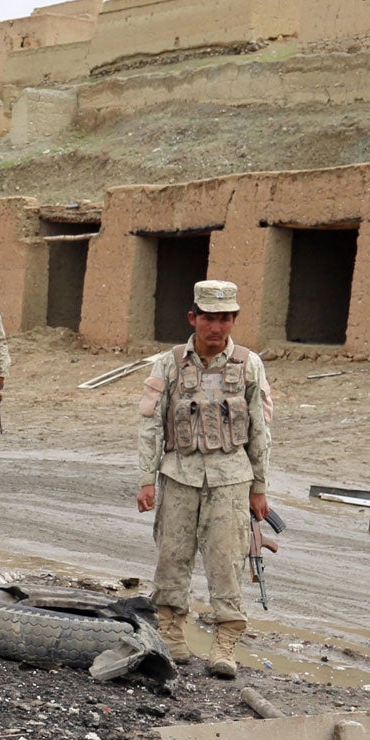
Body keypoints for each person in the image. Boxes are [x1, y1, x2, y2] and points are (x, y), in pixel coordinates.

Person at [137, 279, 273, 679]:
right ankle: (171, 635)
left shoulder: (249, 364)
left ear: (234, 320)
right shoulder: (168, 363)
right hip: (178, 476)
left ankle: (225, 642)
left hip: (231, 480)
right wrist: (147, 479)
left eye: (226, 319)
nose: (217, 328)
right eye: (209, 319)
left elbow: (262, 431)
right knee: (172, 557)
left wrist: (260, 488)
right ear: (193, 318)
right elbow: (149, 426)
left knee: (226, 561)